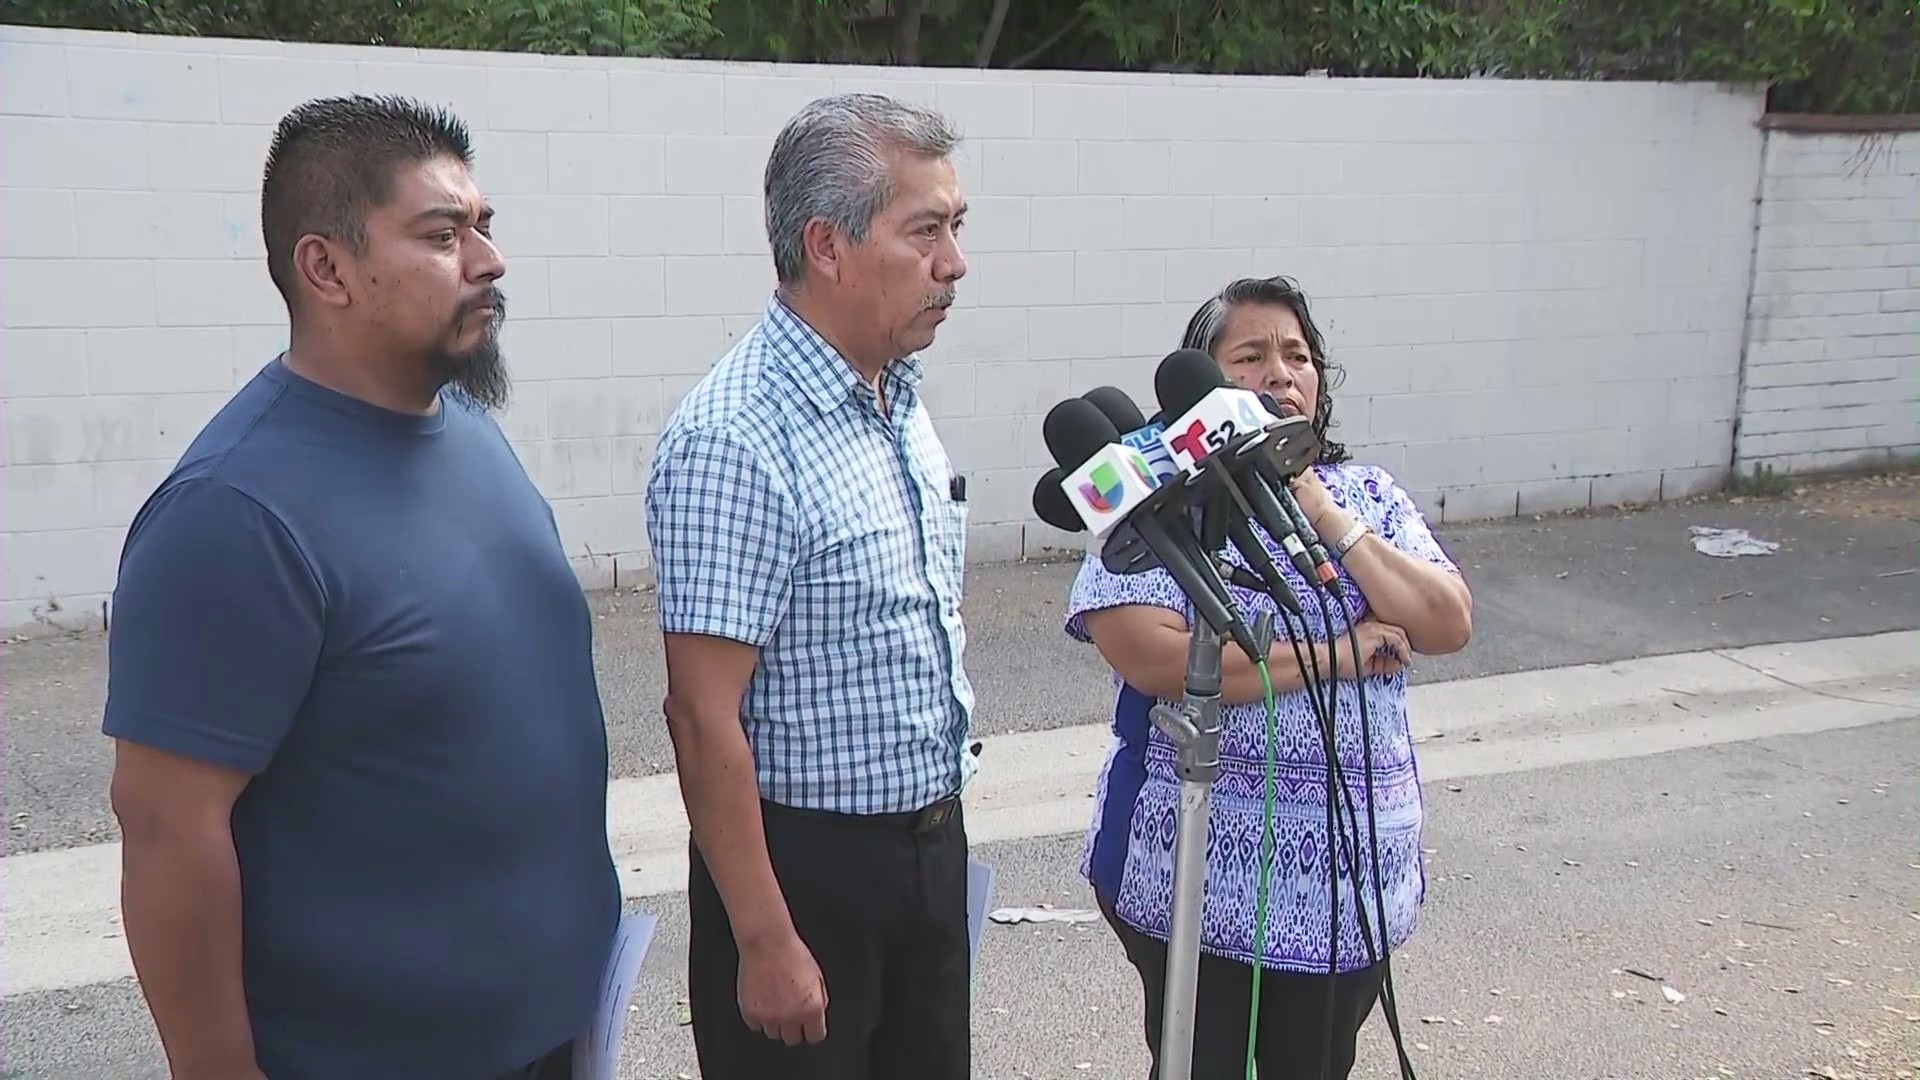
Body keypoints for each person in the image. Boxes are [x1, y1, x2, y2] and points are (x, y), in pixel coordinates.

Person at [102, 94, 618, 1080]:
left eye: (484, 227)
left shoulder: (468, 430)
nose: (488, 260)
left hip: (549, 1036)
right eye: (442, 234)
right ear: (326, 269)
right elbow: (169, 831)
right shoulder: (235, 514)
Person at [1064, 275, 1474, 1080]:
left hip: (1348, 897)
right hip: (1196, 888)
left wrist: (1323, 513)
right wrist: (1344, 652)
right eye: (1250, 356)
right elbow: (1154, 658)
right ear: (1204, 387)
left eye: (1297, 355)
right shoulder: (1156, 506)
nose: (1280, 374)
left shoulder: (1369, 496)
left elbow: (1445, 620)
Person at [643, 92, 974, 1080]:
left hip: (927, 850)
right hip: (803, 875)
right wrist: (764, 939)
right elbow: (704, 719)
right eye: (926, 232)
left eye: (956, 228)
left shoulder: (893, 396)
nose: (954, 262)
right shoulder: (735, 437)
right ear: (828, 245)